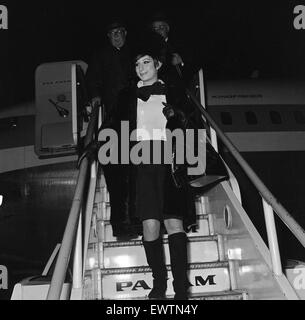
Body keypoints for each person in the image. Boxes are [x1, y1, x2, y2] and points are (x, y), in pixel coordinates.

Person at [106, 36, 197, 299]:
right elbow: (112, 125)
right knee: (150, 226)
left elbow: (192, 125)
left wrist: (179, 117)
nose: (141, 68)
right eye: (137, 64)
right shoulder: (126, 95)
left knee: (174, 222)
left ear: (157, 64)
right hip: (141, 162)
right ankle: (159, 283)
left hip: (169, 162)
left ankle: (182, 287)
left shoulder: (174, 91)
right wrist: (94, 145)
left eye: (146, 62)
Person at [85, 19, 137, 239]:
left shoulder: (135, 54)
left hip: (135, 120)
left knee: (136, 175)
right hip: (112, 123)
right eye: (112, 33)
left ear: (125, 33)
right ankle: (120, 226)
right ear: (108, 37)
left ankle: (137, 222)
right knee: (116, 178)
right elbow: (92, 80)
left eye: (119, 32)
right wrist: (95, 96)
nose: (116, 36)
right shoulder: (101, 56)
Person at [148, 11, 200, 88]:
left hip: (175, 91)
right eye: (155, 28)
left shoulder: (179, 46)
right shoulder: (147, 48)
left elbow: (195, 66)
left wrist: (181, 61)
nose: (158, 31)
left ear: (167, 29)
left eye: (161, 27)